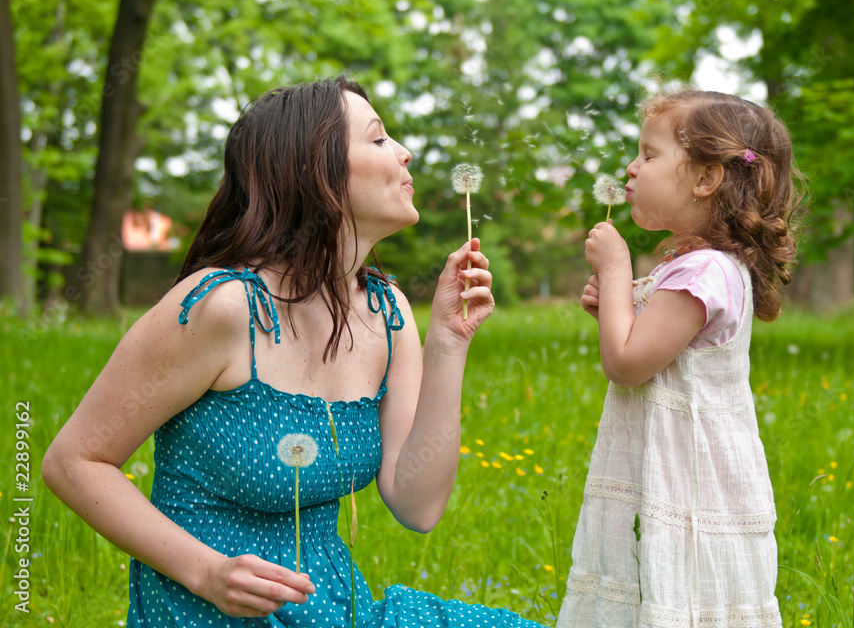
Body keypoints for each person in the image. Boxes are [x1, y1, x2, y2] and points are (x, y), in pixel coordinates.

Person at [43, 76, 542, 627]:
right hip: (207, 610)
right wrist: (208, 572)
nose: (405, 153)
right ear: (315, 173)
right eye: (378, 139)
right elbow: (74, 462)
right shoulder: (222, 306)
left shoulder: (388, 314)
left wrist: (448, 343)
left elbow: (417, 505)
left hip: (335, 609)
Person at [558, 90, 800, 627]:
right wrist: (618, 311)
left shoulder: (705, 271)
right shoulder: (701, 266)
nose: (631, 166)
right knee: (674, 589)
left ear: (705, 178)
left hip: (691, 478)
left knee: (686, 598)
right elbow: (658, 355)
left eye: (649, 154)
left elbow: (626, 365)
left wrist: (619, 272)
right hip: (682, 468)